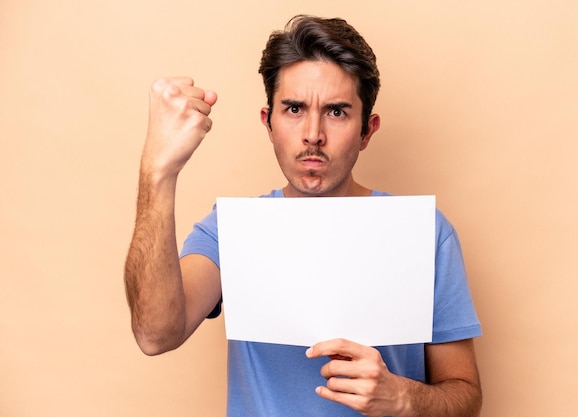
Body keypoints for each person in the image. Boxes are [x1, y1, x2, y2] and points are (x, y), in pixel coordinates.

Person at [124, 15, 482, 417]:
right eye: (294, 108)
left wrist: (404, 397)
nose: (313, 133)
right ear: (269, 124)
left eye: (337, 111)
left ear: (367, 131)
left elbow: (465, 397)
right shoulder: (231, 230)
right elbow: (155, 335)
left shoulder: (426, 233)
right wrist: (158, 171)